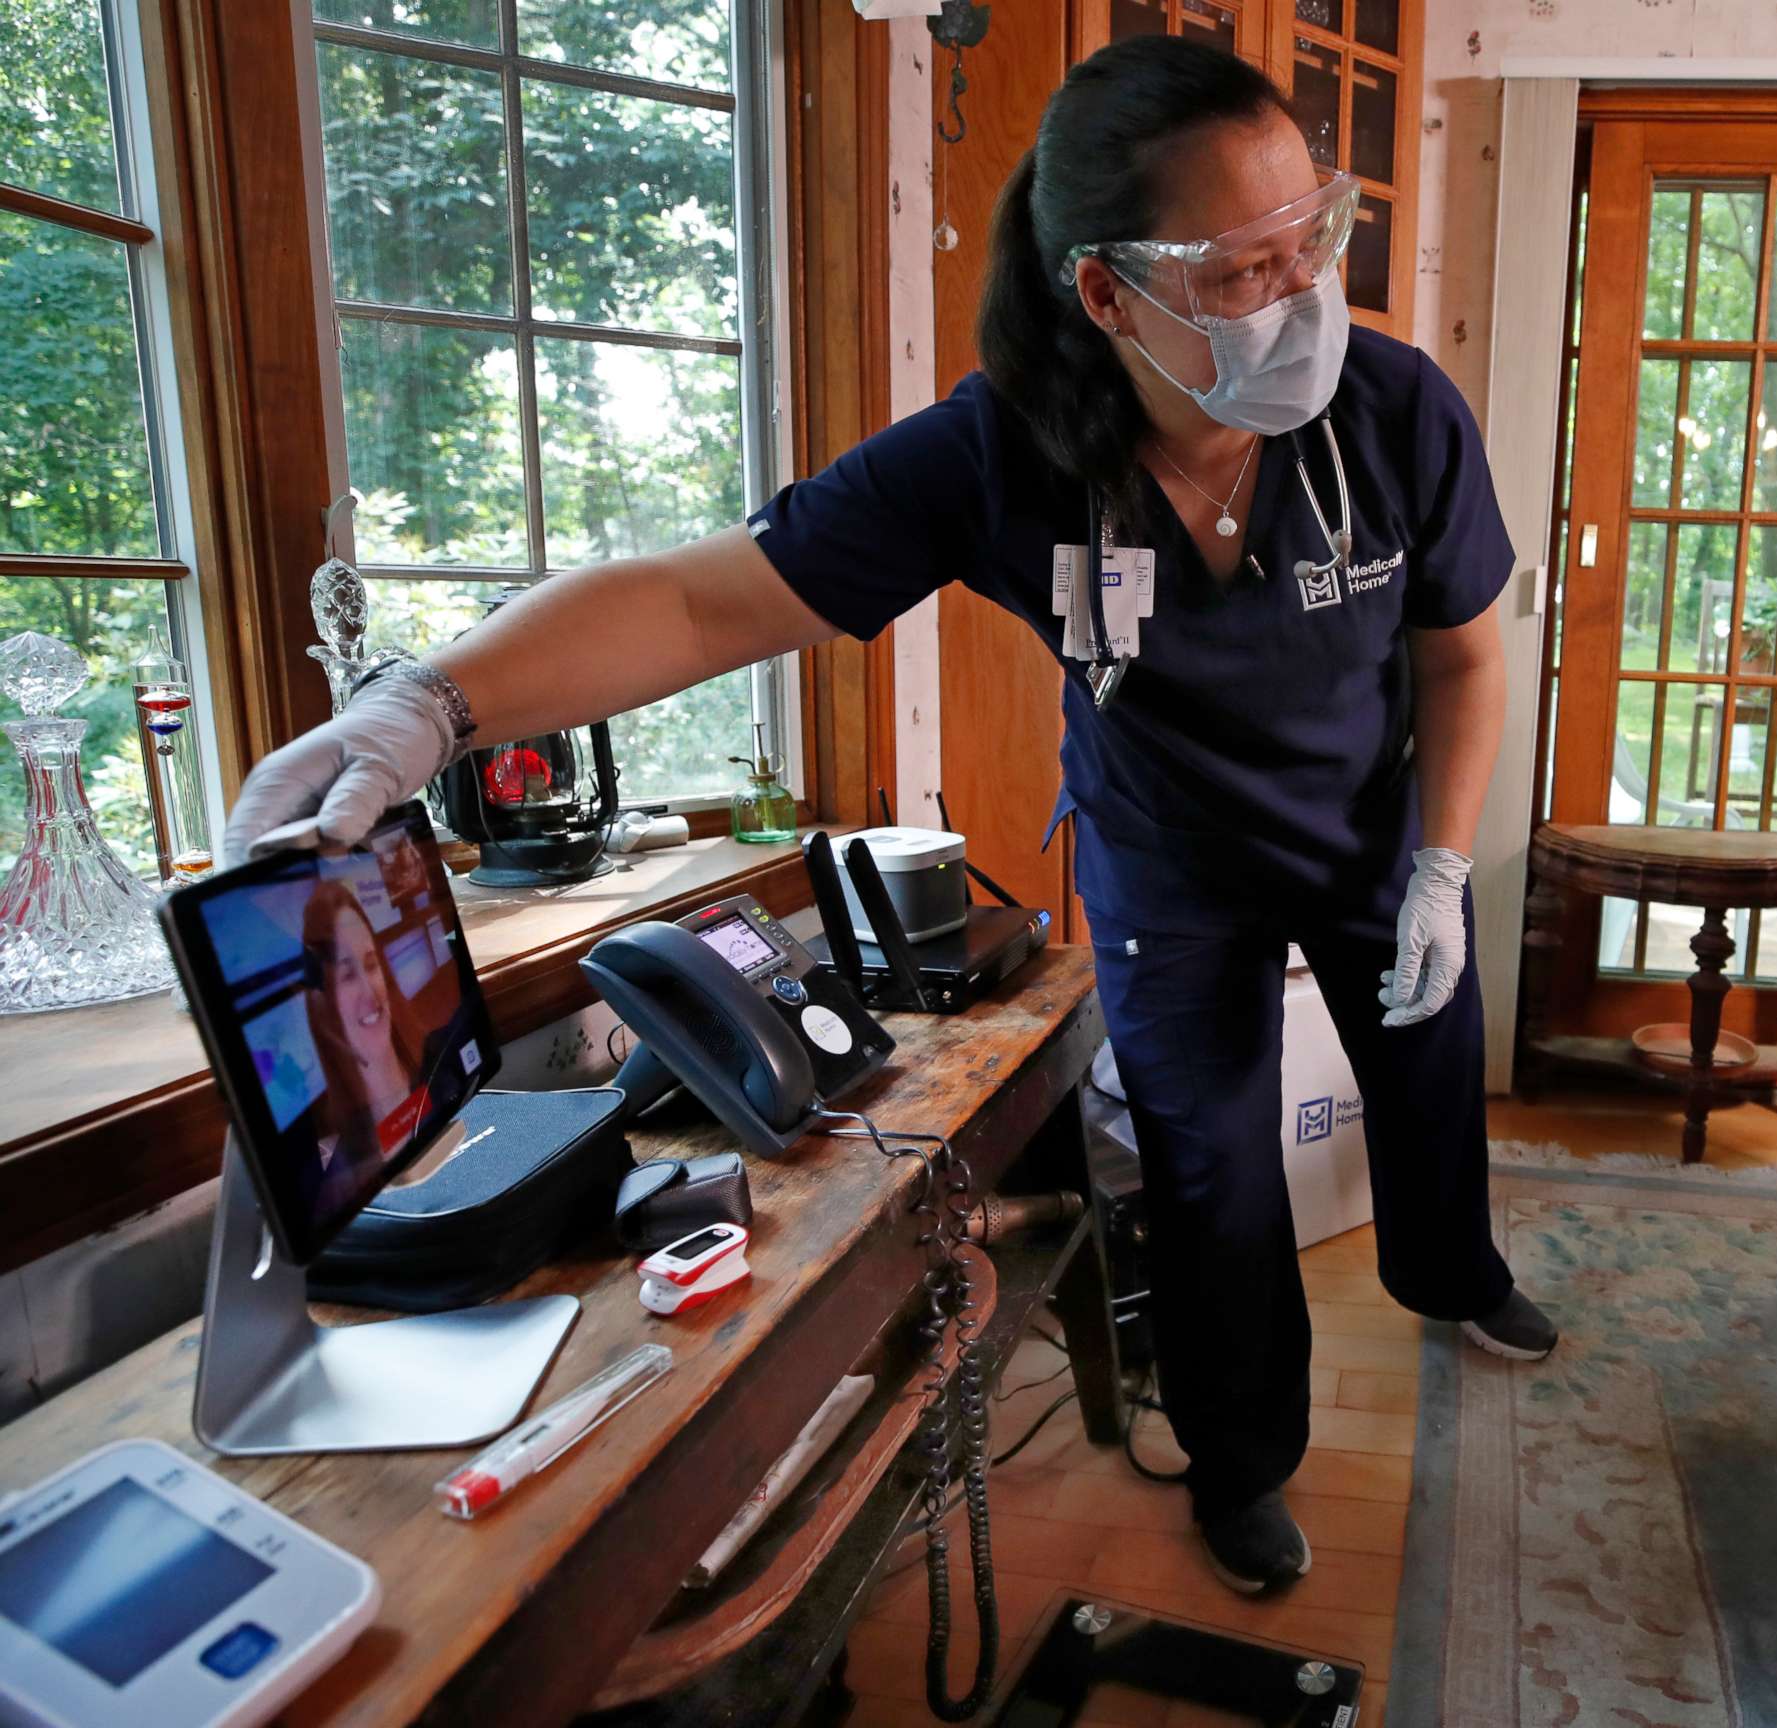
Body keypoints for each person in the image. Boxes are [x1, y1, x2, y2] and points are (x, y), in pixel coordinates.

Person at [221, 35, 1556, 1595]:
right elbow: (705, 602)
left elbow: (1465, 651)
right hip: (1168, 858)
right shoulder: (1001, 452)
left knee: (1427, 1060)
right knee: (1213, 1172)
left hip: (1373, 828)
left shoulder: (1392, 412)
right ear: (1108, 293)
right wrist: (432, 701)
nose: (1304, 295)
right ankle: (1244, 1458)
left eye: (1309, 240)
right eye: (1242, 267)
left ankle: (1453, 1269)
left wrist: (1447, 863)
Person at [301, 878, 429, 1224]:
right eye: (346, 976)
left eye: (371, 965)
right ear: (324, 1004)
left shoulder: (441, 1061)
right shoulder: (340, 1183)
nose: (370, 990)